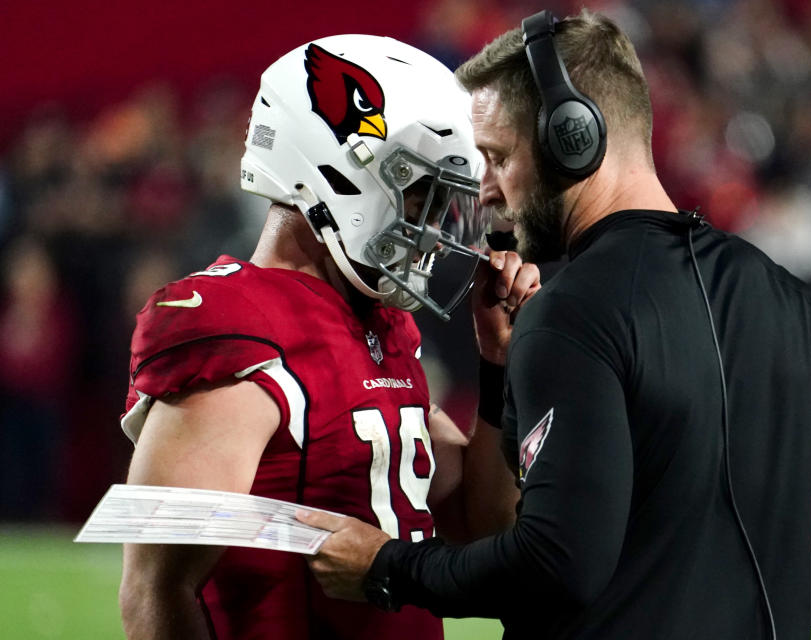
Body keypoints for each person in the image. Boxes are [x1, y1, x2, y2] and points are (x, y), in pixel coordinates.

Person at [297, 9, 811, 640]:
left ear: (574, 139)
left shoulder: (569, 312)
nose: (487, 190)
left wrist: (388, 569)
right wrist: (765, 614)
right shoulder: (793, 301)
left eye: (497, 158)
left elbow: (558, 561)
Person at [117, 34, 538, 639]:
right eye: (420, 192)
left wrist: (497, 366)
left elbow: (483, 525)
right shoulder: (236, 324)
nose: (436, 227)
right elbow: (157, 589)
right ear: (331, 173)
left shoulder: (382, 325)